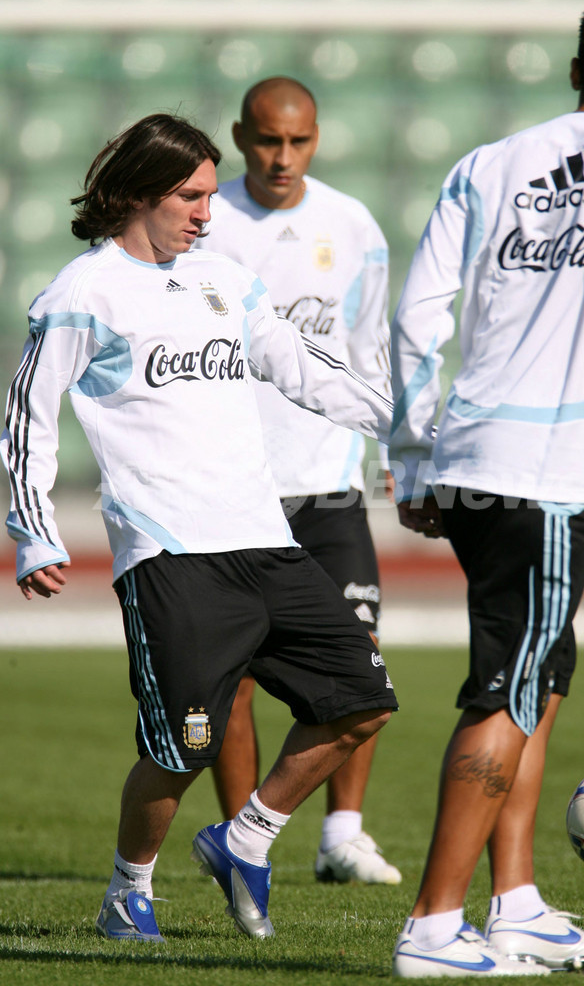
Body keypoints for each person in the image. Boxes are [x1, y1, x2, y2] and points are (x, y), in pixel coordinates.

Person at [1, 113, 398, 944]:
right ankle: (127, 892)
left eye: (210, 196)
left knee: (362, 702)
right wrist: (34, 531)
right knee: (183, 748)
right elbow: (27, 417)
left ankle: (243, 839)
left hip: (265, 541)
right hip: (171, 554)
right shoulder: (83, 292)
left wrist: (410, 426)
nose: (205, 214)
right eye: (189, 196)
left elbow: (302, 367)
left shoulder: (224, 279)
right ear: (138, 192)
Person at [388, 0, 584, 977]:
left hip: (472, 456)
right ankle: (433, 927)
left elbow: (418, 315)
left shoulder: (485, 164)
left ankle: (514, 905)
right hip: (550, 470)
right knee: (509, 690)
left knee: (540, 677)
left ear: (573, 72)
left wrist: (413, 452)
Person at [196, 76, 400, 886]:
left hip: (326, 483)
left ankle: (342, 836)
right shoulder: (205, 223)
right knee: (236, 678)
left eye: (299, 141)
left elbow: (369, 347)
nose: (283, 157)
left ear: (316, 137)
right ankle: (246, 846)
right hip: (234, 486)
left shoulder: (351, 225)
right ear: (239, 136)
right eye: (268, 140)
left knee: (360, 654)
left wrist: (393, 447)